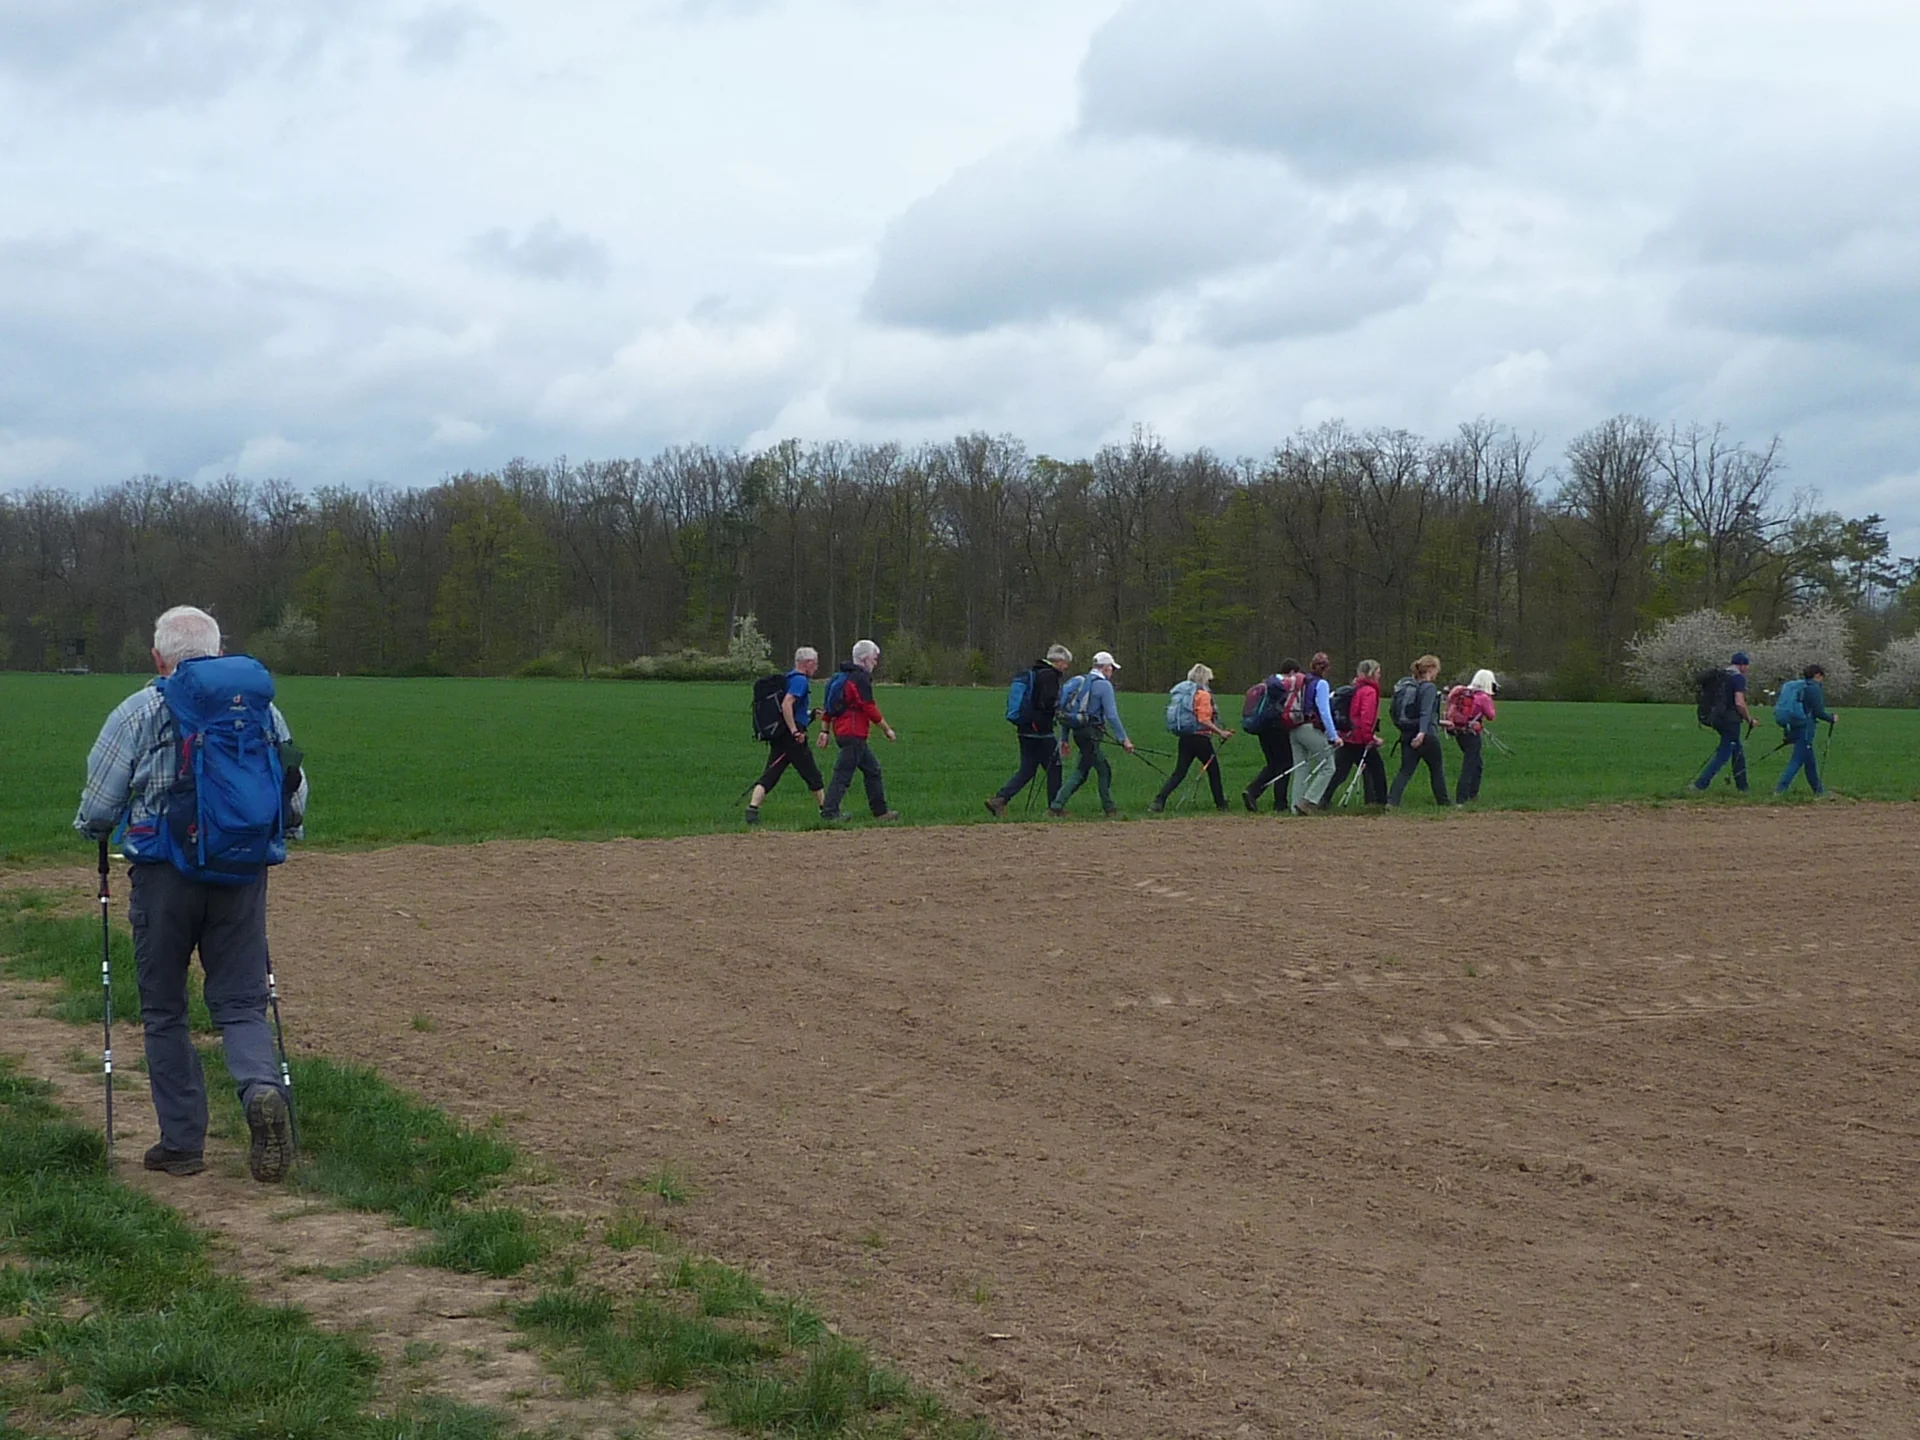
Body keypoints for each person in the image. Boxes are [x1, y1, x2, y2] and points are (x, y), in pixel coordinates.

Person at [72, 605, 305, 1183]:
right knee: (240, 1002)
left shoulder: (141, 709)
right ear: (220, 652)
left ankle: (182, 1144)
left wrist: (95, 833)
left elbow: (100, 806)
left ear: (159, 657)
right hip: (242, 875)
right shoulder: (260, 712)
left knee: (164, 1008)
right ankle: (258, 1092)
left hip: (163, 878)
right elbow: (293, 803)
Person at [985, 644, 1072, 817]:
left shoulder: (1034, 672)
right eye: (1066, 663)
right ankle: (1055, 808)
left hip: (1024, 728)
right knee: (1054, 767)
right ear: (1059, 661)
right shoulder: (1049, 676)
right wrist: (1059, 710)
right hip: (1040, 730)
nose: (1066, 667)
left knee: (1027, 769)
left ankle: (1000, 800)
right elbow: (1047, 702)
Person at [818, 639, 900, 823]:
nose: (875, 663)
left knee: (873, 770)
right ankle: (830, 812)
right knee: (843, 774)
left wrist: (825, 730)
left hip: (843, 732)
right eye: (874, 658)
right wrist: (887, 729)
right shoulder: (860, 678)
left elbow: (828, 707)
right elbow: (869, 707)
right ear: (864, 659)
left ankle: (881, 812)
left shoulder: (839, 677)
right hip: (854, 733)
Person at [746, 647, 824, 824]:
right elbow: (786, 705)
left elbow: (794, 709)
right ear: (807, 663)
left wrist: (810, 715)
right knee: (812, 774)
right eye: (815, 663)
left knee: (771, 773)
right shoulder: (800, 681)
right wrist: (795, 731)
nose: (816, 667)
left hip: (781, 734)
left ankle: (752, 809)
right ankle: (828, 811)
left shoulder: (788, 678)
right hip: (793, 737)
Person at [1050, 650, 1133, 817]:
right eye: (1112, 669)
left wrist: (1064, 738)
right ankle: (1109, 809)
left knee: (1083, 770)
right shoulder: (1104, 686)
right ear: (1106, 668)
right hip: (1092, 733)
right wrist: (1124, 739)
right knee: (1102, 770)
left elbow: (1067, 711)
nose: (1112, 672)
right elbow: (1111, 715)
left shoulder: (1080, 681)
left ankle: (1057, 806)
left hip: (1078, 732)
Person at [1151, 663, 1232, 812]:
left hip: (1185, 737)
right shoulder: (1203, 695)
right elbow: (1203, 719)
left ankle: (1159, 800)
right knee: (1214, 771)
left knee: (1180, 772)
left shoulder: (1185, 693)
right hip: (1201, 739)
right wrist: (1221, 732)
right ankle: (1221, 804)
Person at [1387, 654, 1450, 808]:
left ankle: (1392, 802)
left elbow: (1395, 712)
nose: (1437, 674)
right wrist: (1422, 733)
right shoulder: (1429, 688)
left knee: (1405, 770)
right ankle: (1444, 803)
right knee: (1436, 769)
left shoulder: (1407, 687)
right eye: (1436, 670)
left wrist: (1440, 722)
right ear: (1430, 669)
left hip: (1407, 735)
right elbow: (1425, 713)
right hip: (1426, 736)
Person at [1241, 660, 1301, 813]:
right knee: (1285, 765)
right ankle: (1280, 804)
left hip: (1263, 727)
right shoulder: (1284, 685)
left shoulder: (1269, 681)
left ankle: (1252, 792)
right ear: (1293, 671)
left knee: (1273, 764)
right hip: (1277, 727)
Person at [1690, 651, 1753, 793]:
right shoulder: (1738, 678)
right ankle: (1700, 785)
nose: (1747, 669)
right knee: (1724, 752)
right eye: (1747, 666)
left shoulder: (1721, 675)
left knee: (1737, 750)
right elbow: (1739, 703)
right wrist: (1749, 719)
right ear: (1742, 665)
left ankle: (1743, 787)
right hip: (1730, 720)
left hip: (1715, 717)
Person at [1327, 659, 1388, 806]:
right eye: (1378, 672)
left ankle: (1321, 800)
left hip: (1347, 736)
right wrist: (1370, 739)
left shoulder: (1356, 688)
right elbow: (1365, 716)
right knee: (1377, 770)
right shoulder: (1369, 691)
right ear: (1371, 673)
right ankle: (1380, 803)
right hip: (1360, 738)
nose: (1380, 676)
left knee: (1340, 772)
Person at [1775, 663, 1838, 797]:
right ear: (1817, 675)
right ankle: (1780, 789)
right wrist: (1831, 718)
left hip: (1794, 725)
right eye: (1821, 677)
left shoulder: (1797, 686)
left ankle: (1818, 790)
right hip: (1806, 727)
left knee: (1809, 760)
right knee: (1797, 759)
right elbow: (1818, 711)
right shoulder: (1813, 688)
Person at [1288, 651, 1340, 814]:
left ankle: (1295, 807)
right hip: (1310, 728)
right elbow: (1324, 711)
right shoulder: (1322, 684)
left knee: (1300, 769)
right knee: (1328, 766)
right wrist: (1334, 736)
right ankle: (1308, 801)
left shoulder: (1302, 682)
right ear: (1327, 668)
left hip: (1294, 727)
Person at [1448, 668, 1499, 803]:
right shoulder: (1483, 697)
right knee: (1470, 764)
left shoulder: (1463, 693)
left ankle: (1472, 794)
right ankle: (1462, 798)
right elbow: (1491, 716)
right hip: (1472, 734)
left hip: (1459, 732)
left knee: (1477, 763)